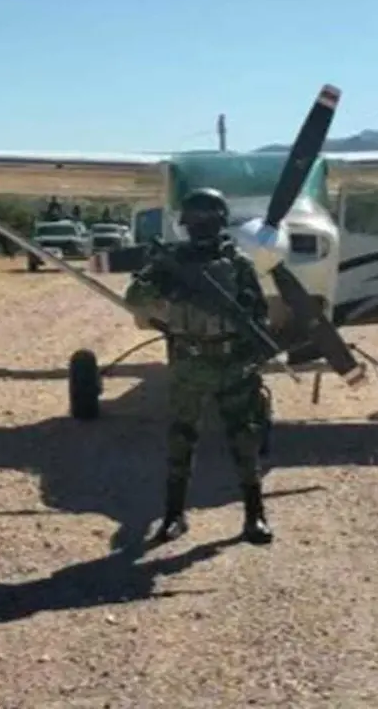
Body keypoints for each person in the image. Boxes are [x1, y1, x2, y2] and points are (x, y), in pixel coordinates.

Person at [123, 187, 275, 545]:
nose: (201, 227)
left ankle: (255, 516)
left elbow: (258, 315)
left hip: (233, 365)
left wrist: (249, 351)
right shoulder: (169, 262)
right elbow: (135, 299)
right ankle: (174, 517)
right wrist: (163, 280)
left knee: (246, 440)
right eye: (195, 220)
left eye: (208, 220)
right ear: (185, 224)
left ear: (221, 222)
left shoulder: (238, 264)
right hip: (189, 364)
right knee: (181, 441)